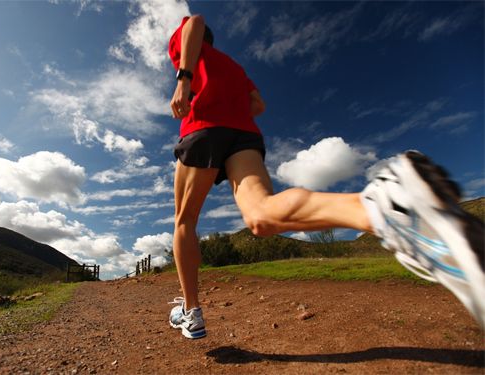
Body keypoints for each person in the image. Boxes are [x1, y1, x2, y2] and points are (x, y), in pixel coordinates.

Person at [167, 15, 484, 339]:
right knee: (261, 215)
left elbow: (194, 22)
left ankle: (190, 311)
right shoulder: (234, 66)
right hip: (244, 135)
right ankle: (383, 207)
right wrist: (230, 104)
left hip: (203, 123)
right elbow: (256, 104)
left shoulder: (187, 44)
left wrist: (185, 79)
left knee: (184, 221)